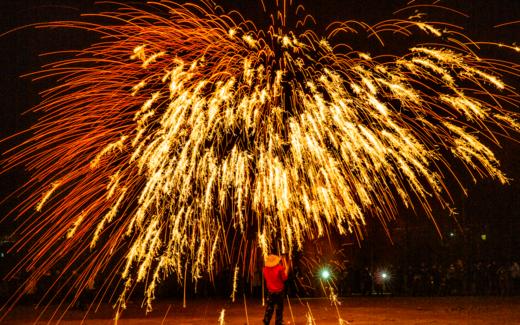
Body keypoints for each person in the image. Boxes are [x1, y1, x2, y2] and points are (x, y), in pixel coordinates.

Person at [263, 253, 290, 325]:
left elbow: (267, 279)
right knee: (279, 308)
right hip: (279, 291)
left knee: (269, 308)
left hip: (270, 291)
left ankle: (266, 321)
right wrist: (286, 270)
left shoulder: (265, 269)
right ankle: (278, 322)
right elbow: (284, 278)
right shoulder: (280, 268)